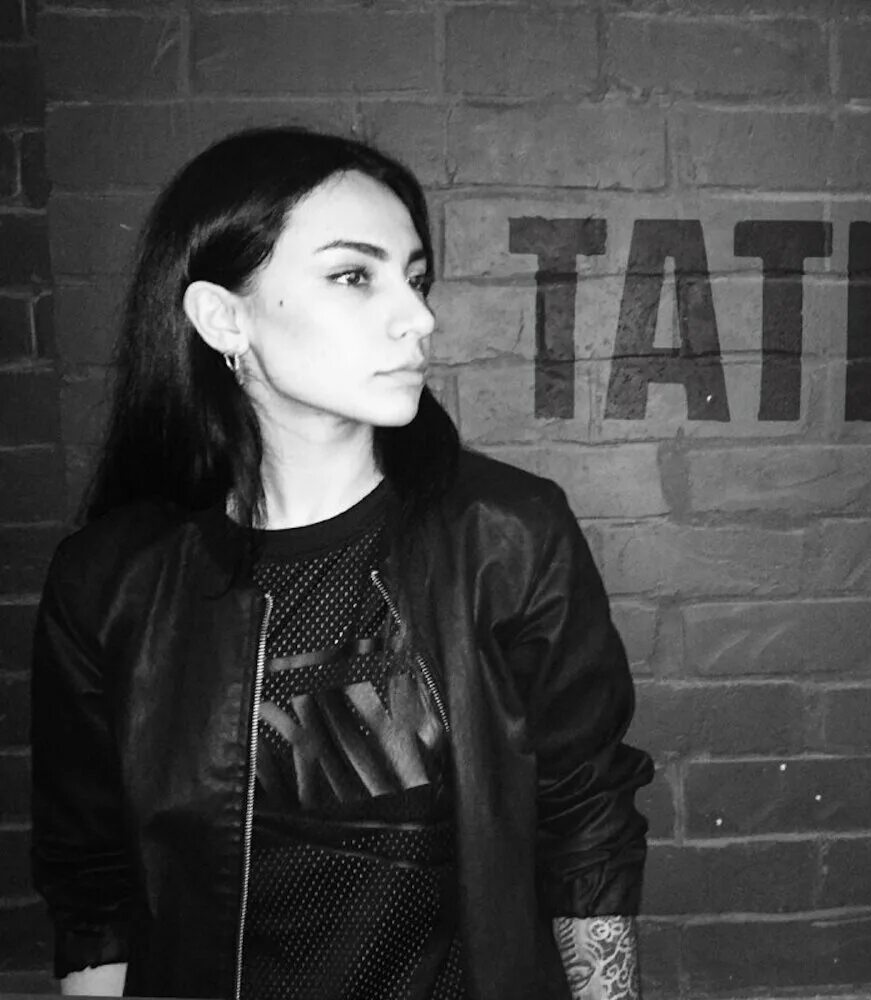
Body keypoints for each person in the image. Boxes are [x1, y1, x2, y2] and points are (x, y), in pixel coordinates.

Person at [31, 126, 652, 1000]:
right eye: (355, 276)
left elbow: (586, 820)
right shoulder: (111, 585)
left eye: (415, 277)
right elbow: (94, 884)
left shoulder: (506, 536)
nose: (419, 317)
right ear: (224, 318)